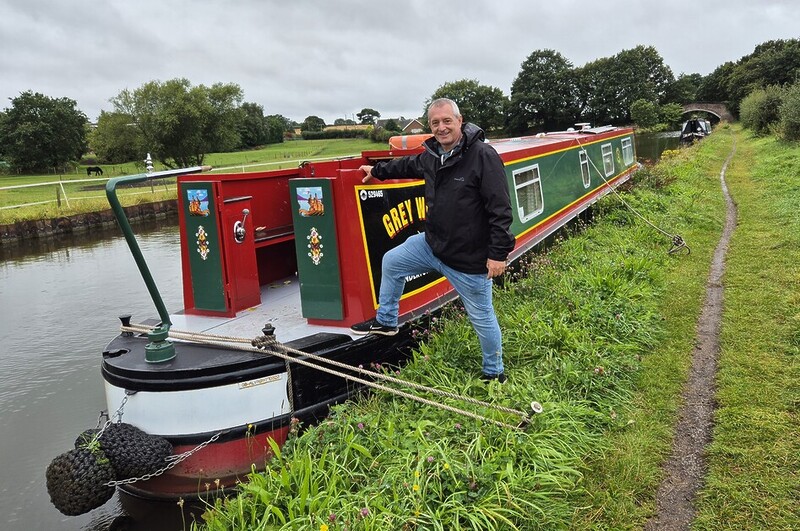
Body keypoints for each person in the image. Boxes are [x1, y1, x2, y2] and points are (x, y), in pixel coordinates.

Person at [350, 98, 515, 382]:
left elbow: (500, 210)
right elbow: (408, 166)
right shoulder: (432, 155)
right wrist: (376, 171)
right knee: (392, 260)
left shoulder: (483, 156)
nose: (441, 128)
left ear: (459, 121)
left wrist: (498, 254)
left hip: (468, 258)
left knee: (482, 318)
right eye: (435, 123)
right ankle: (387, 321)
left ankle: (494, 373)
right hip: (432, 245)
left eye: (447, 121)